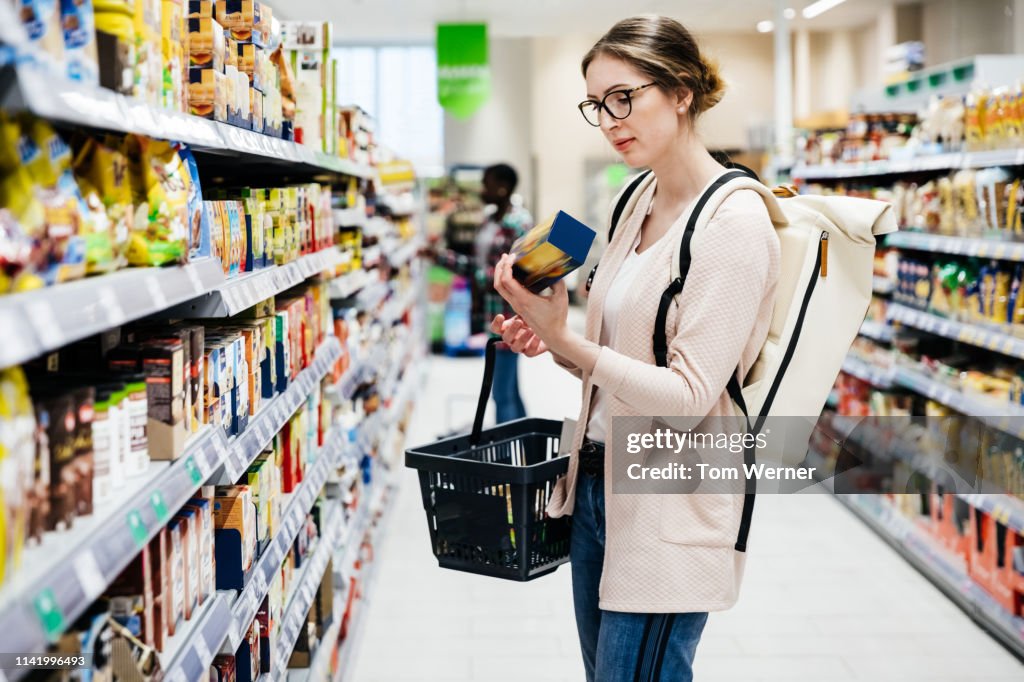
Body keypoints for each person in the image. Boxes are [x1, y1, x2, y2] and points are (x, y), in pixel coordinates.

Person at [490, 15, 781, 682]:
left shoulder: (733, 225)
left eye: (625, 97)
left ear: (681, 91)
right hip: (593, 485)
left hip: (669, 502)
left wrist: (570, 339)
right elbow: (613, 360)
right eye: (597, 105)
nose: (610, 119)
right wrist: (553, 341)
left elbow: (686, 397)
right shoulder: (633, 199)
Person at [437, 163, 534, 423]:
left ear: (502, 188)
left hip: (510, 315)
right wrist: (439, 257)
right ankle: (526, 446)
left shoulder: (519, 222)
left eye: (487, 184)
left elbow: (518, 272)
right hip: (491, 313)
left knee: (501, 393)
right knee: (509, 388)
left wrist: (480, 276)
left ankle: (507, 457)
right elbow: (478, 267)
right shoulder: (490, 221)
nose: (481, 190)